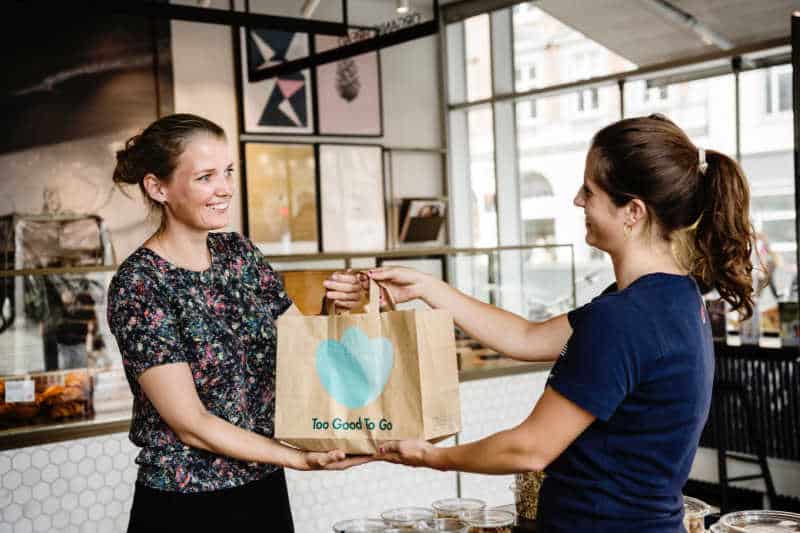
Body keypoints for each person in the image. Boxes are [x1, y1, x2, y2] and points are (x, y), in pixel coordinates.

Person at [326, 114, 755, 532]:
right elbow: (525, 337)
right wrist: (424, 287)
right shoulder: (673, 298)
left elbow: (529, 448)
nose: (577, 201)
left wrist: (429, 456)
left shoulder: (625, 318)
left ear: (633, 212)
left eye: (590, 191)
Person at [107, 113, 362, 533]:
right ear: (159, 187)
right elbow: (192, 425)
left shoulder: (238, 254)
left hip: (263, 488)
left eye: (227, 172)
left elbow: (302, 346)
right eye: (205, 177)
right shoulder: (140, 284)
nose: (225, 188)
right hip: (185, 504)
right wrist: (296, 456)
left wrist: (337, 306)